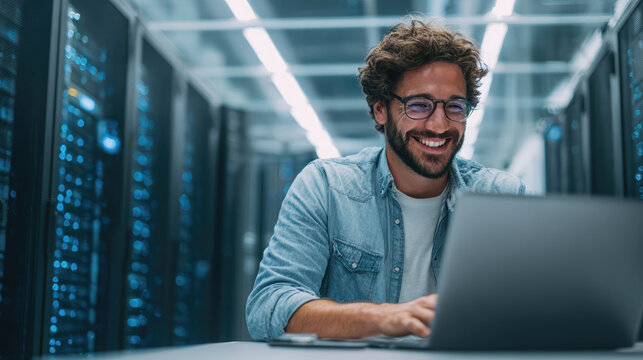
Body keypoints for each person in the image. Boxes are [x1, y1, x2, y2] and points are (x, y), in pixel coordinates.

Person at [246, 18, 525, 341]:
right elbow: (268, 306)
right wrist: (380, 317)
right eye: (419, 105)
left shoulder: (501, 196)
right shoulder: (325, 187)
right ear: (381, 110)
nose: (439, 125)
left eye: (454, 106)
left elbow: (537, 309)